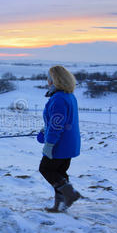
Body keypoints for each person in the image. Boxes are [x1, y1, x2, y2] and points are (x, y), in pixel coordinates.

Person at [37, 65, 81, 212]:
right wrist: (45, 129)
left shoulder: (58, 99)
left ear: (54, 80)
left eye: (49, 78)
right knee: (60, 174)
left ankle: (70, 194)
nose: (47, 81)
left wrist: (49, 144)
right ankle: (60, 205)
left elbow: (57, 126)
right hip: (69, 144)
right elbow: (59, 121)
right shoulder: (68, 96)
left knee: (46, 169)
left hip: (59, 145)